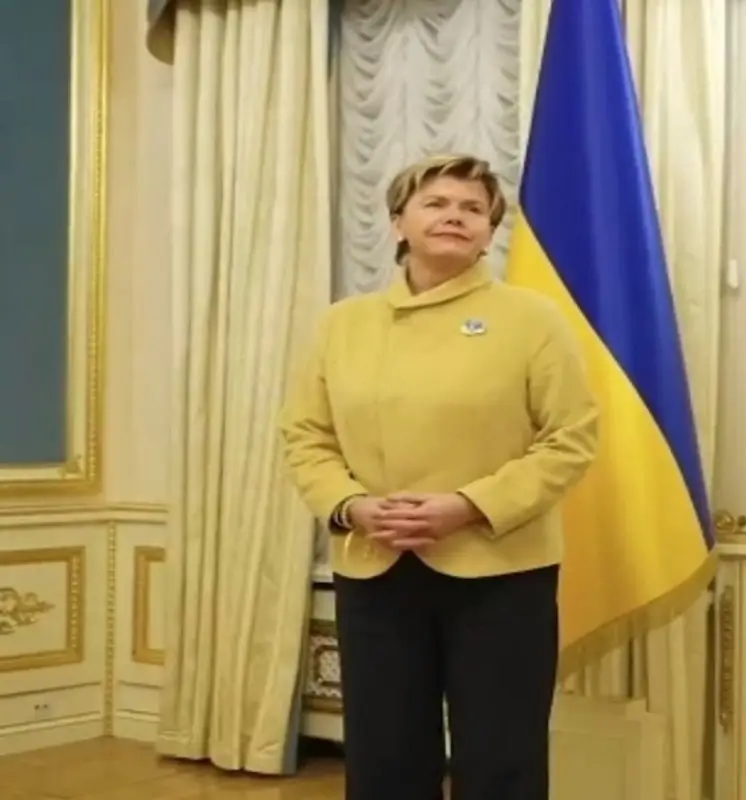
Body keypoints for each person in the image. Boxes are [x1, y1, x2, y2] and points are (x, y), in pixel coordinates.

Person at [280, 154, 599, 800]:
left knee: (500, 756)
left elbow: (572, 439)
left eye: (473, 209)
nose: (455, 216)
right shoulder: (342, 324)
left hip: (502, 573)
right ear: (398, 223)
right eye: (436, 203)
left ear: (488, 233)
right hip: (375, 566)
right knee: (383, 756)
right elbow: (305, 437)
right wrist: (350, 506)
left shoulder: (533, 320)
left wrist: (469, 505)